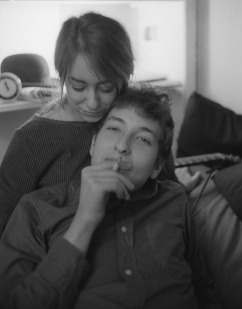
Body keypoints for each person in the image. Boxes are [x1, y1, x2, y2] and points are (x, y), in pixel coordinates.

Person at [0, 85, 224, 309]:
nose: (122, 146)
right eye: (115, 129)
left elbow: (202, 287)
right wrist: (85, 220)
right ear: (93, 144)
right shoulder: (37, 208)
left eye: (143, 139)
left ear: (157, 167)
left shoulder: (175, 199)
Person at [0, 11, 134, 236]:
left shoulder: (142, 123)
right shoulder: (31, 140)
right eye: (78, 87)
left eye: (106, 88)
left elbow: (167, 193)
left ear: (125, 77)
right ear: (61, 77)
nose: (92, 103)